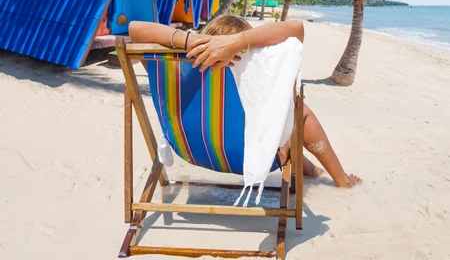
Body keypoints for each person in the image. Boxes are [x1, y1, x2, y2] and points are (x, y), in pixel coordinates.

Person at [129, 16, 362, 188]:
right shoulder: (258, 76)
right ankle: (341, 180)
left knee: (286, 117)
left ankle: (309, 168)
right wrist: (238, 42)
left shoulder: (176, 73)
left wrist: (192, 41)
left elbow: (135, 29)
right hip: (259, 158)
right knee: (300, 113)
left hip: (193, 151)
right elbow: (296, 28)